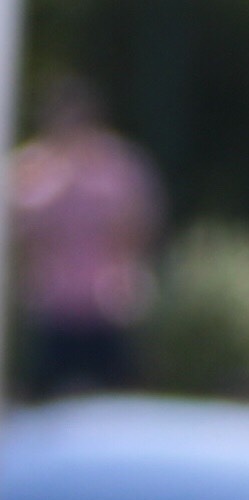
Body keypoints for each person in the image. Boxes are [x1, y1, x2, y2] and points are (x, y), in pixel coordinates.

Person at [13, 78, 161, 399]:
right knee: (39, 397)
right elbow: (25, 231)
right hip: (54, 307)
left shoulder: (118, 166)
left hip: (108, 304)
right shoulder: (35, 168)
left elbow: (139, 226)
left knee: (121, 396)